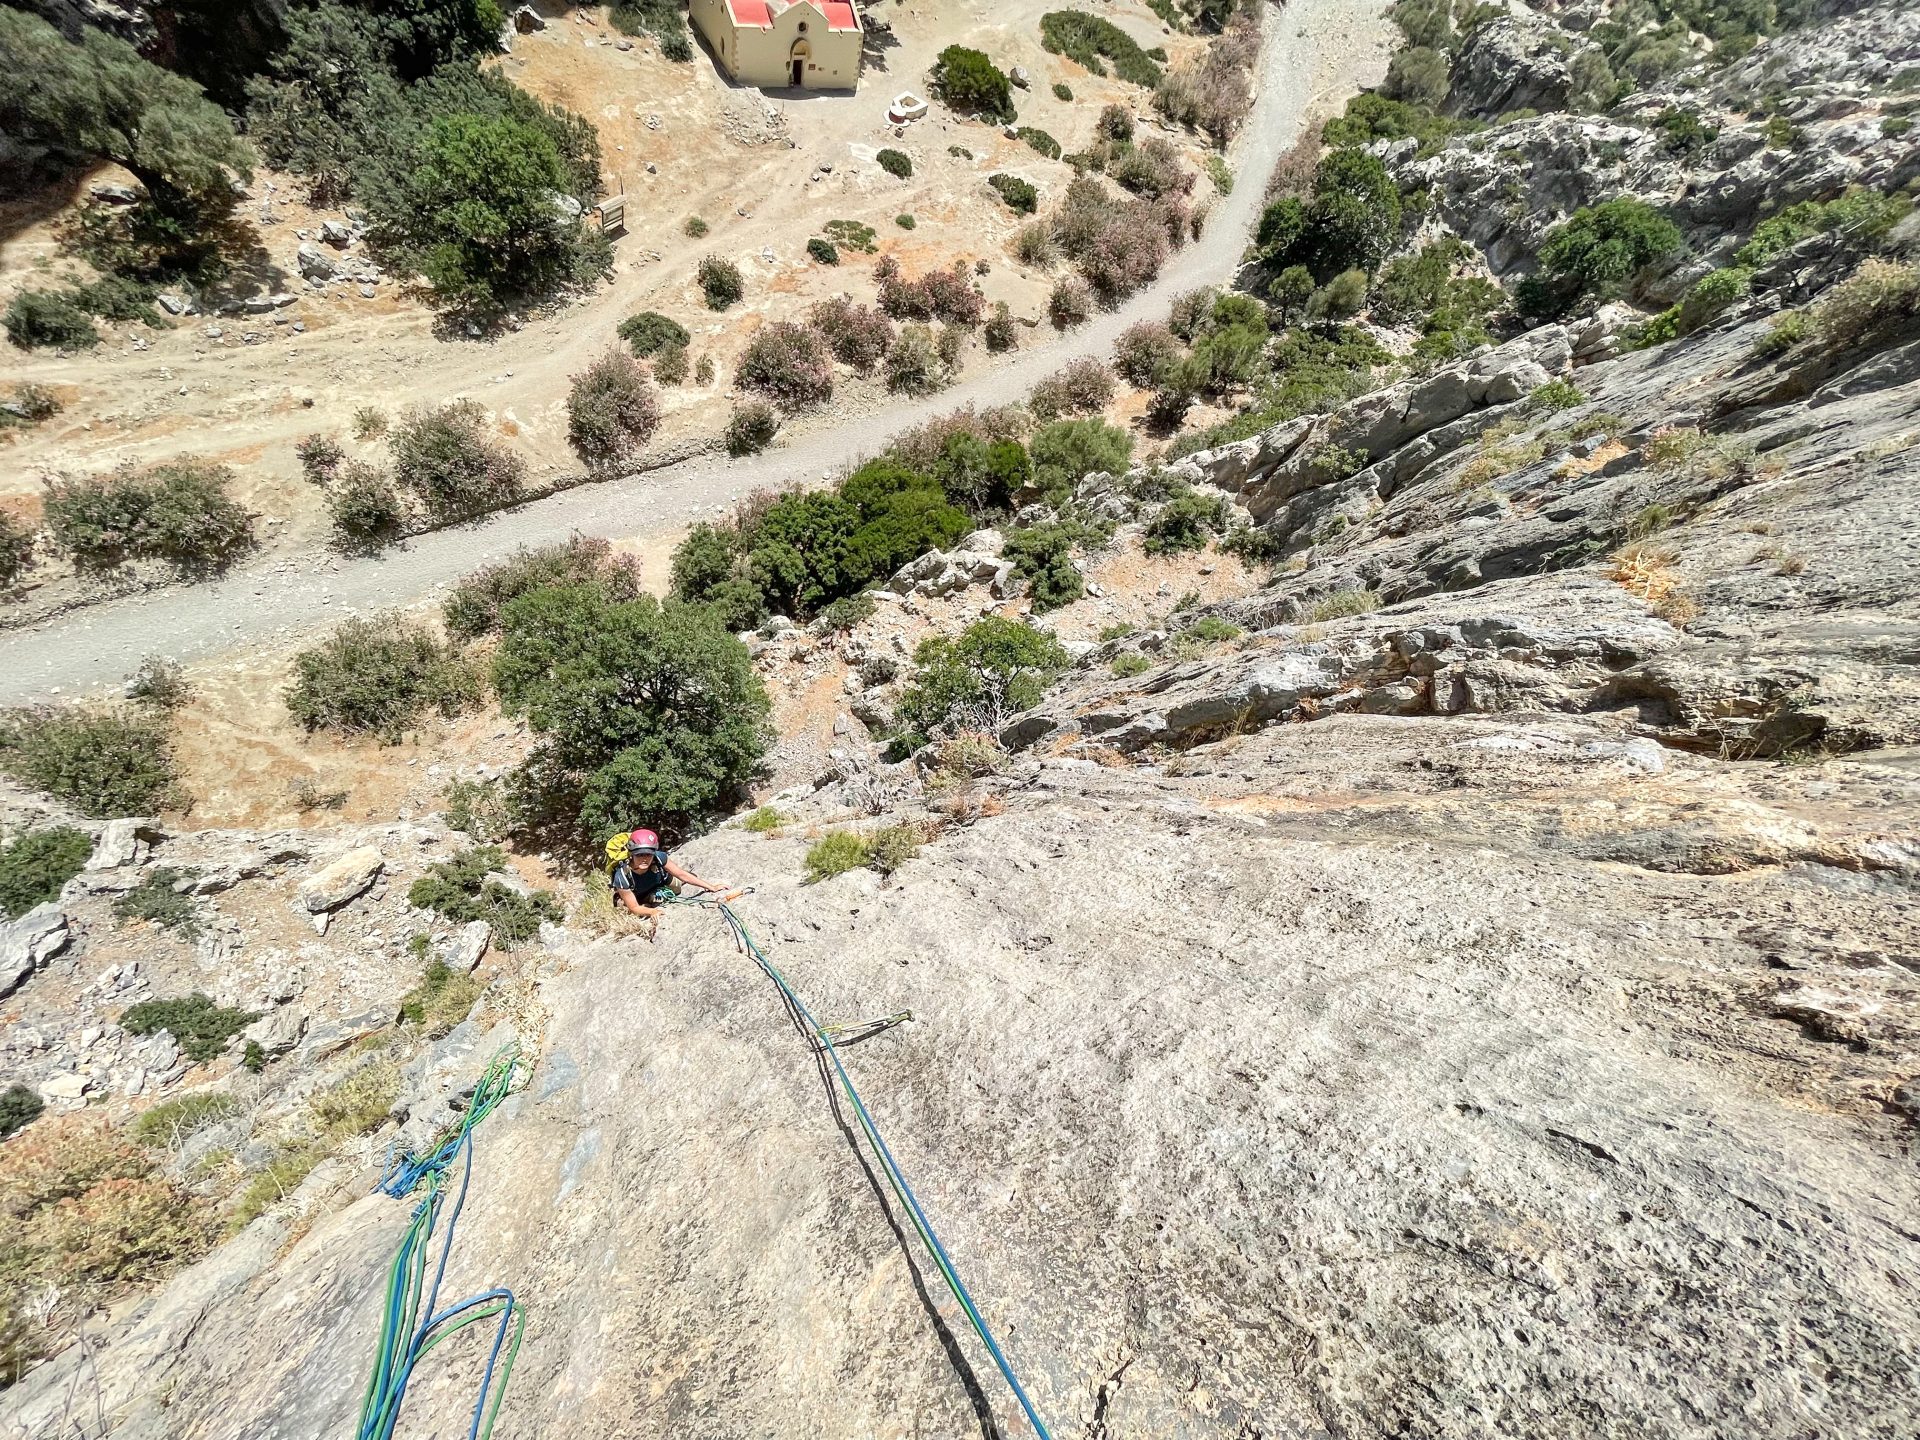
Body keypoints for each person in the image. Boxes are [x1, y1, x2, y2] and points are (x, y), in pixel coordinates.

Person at [610, 829, 740, 939]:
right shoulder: (622, 876)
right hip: (638, 895)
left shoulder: (659, 857)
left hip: (661, 882)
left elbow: (680, 873)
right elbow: (634, 907)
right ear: (632, 854)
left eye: (648, 854)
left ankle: (655, 895)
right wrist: (652, 912)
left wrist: (711, 887)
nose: (644, 858)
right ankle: (650, 898)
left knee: (678, 887)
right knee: (636, 908)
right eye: (639, 855)